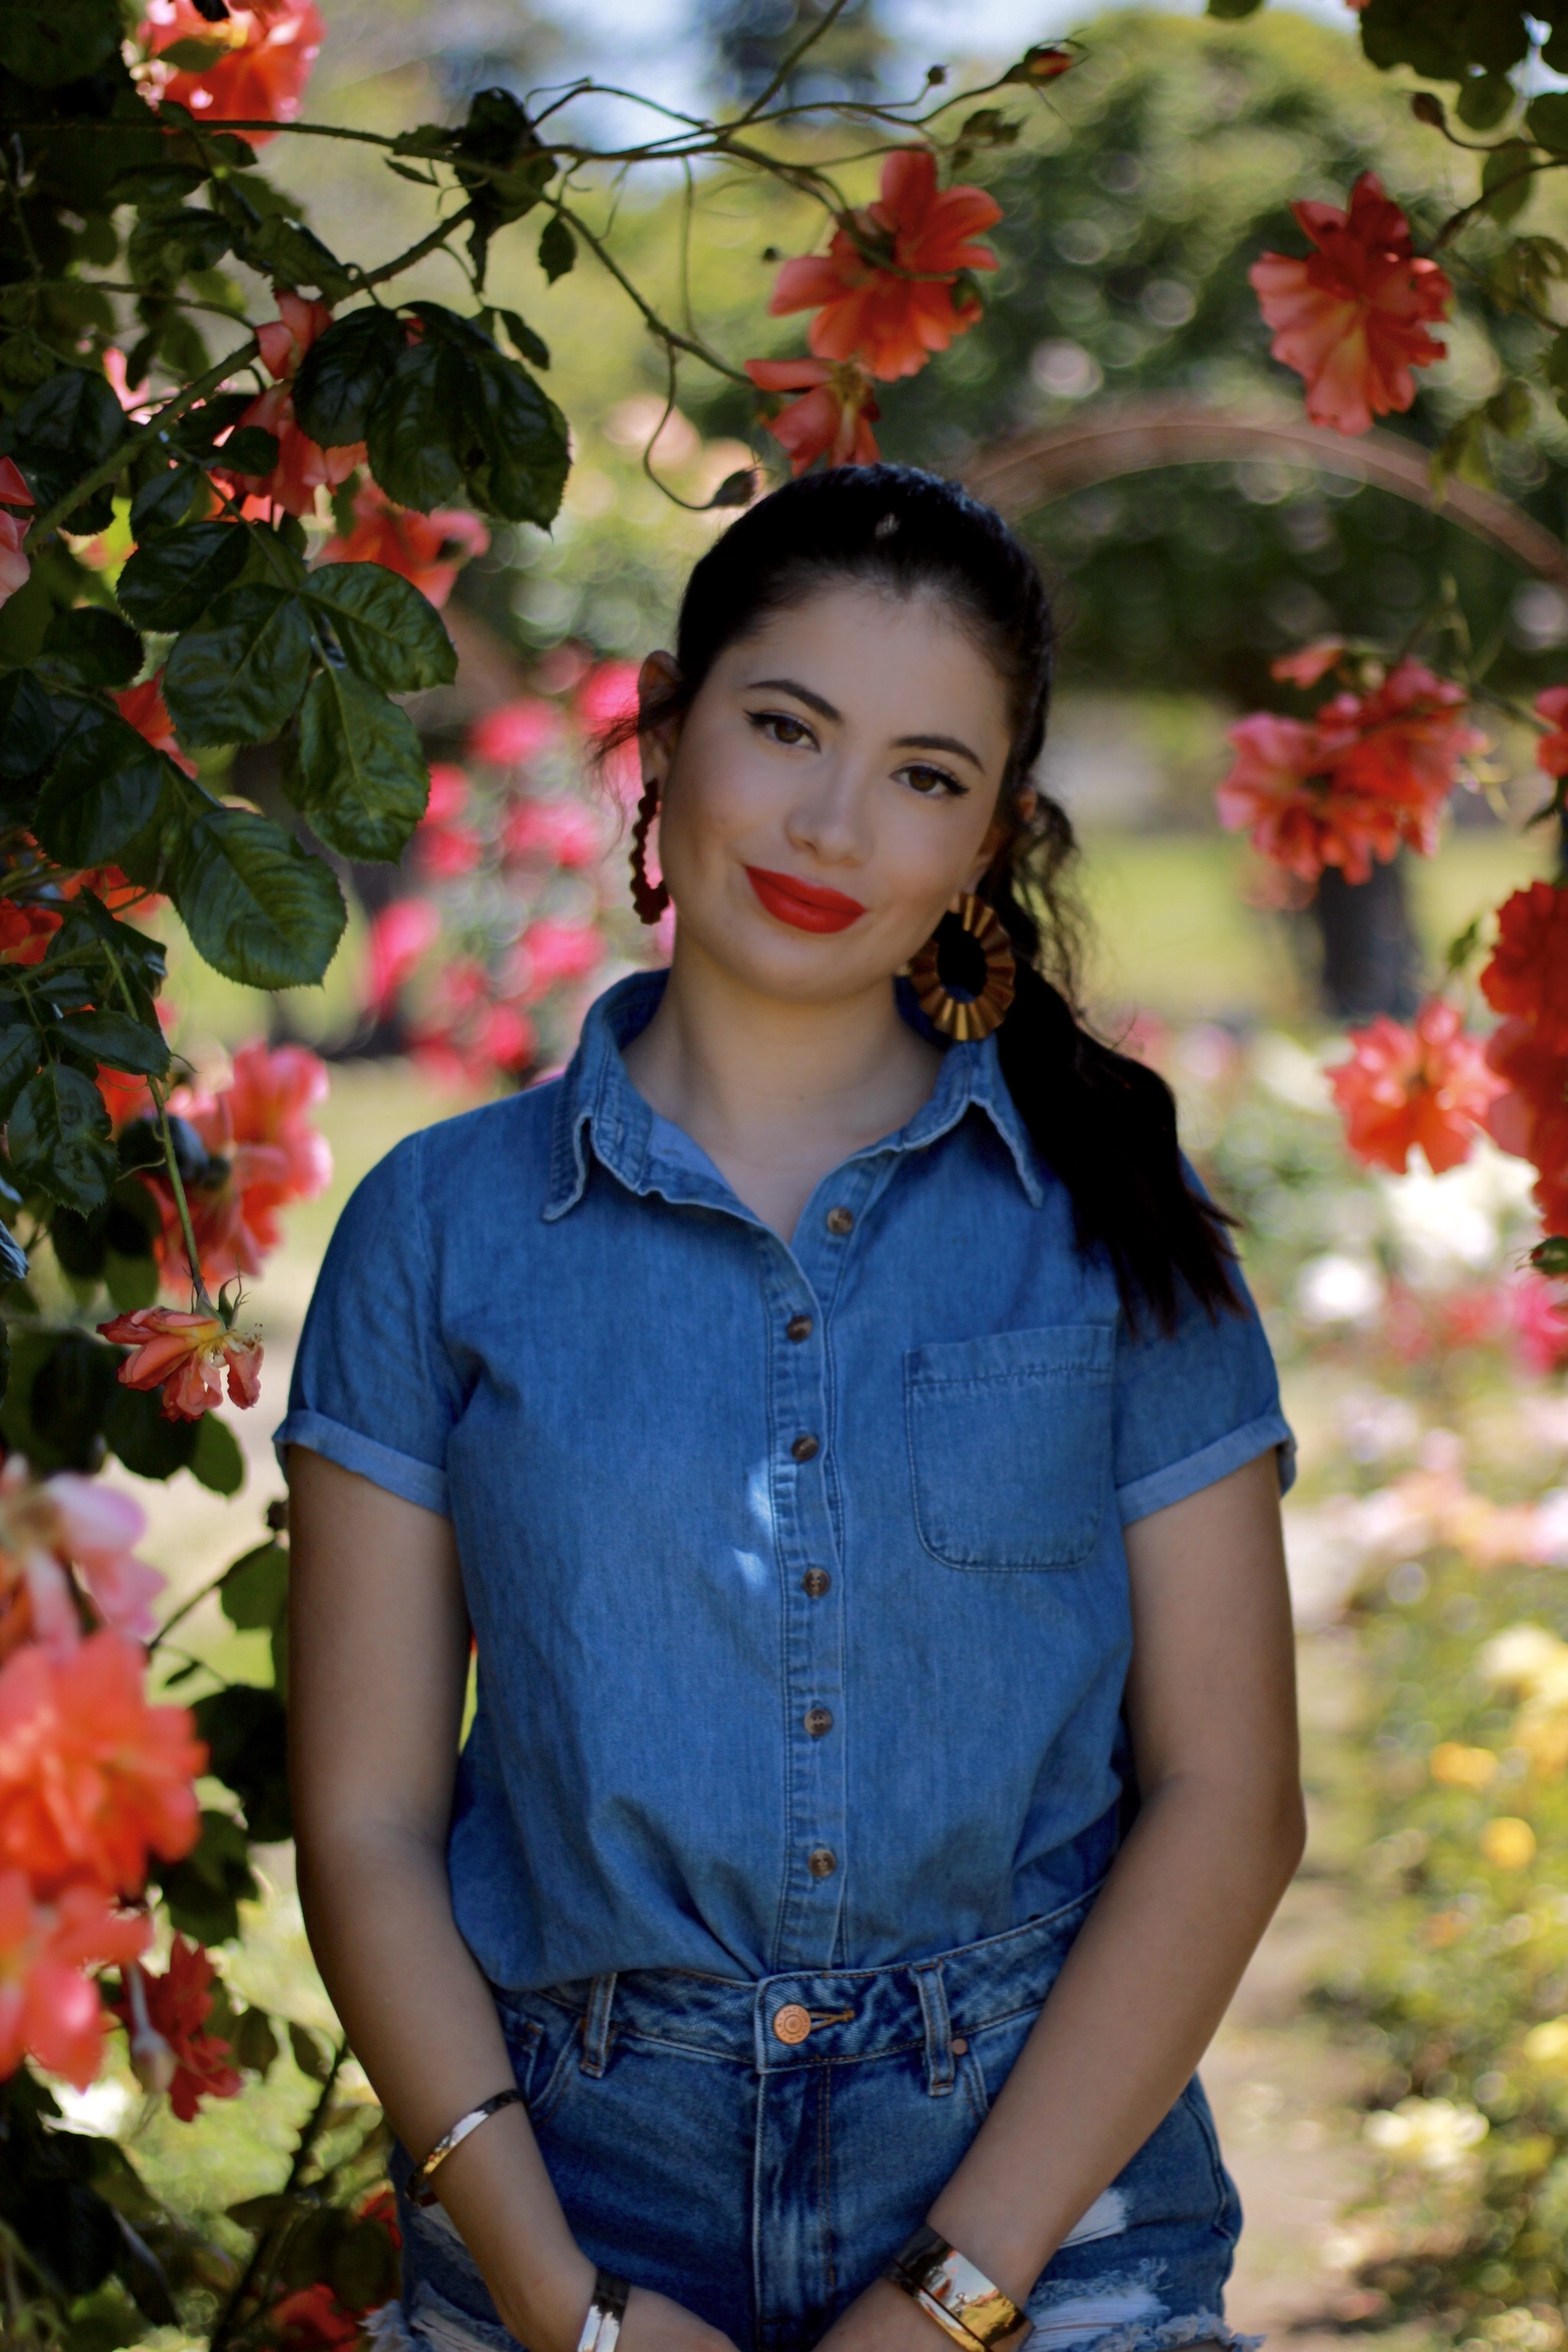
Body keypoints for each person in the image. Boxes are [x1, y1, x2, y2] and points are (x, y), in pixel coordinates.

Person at [282, 464, 1302, 2352]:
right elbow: (358, 1819)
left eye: (925, 773)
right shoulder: (438, 1228)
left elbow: (1228, 1801)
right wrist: (559, 2305)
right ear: (663, 735)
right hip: (571, 2212)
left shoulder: (1113, 1221)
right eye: (783, 728)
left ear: (989, 836)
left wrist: (951, 2301)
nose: (835, 822)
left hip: (1043, 2207)